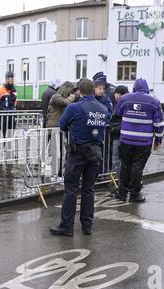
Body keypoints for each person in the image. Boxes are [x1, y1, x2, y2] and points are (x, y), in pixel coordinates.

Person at [50, 79, 109, 237]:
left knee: (71, 190)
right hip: (96, 152)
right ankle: (87, 225)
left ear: (80, 91)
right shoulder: (103, 108)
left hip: (77, 153)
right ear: (93, 91)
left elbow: (62, 124)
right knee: (89, 190)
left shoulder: (74, 107)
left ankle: (67, 226)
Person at [115, 78, 164, 203]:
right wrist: (158, 140)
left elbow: (119, 112)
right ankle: (134, 194)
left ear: (134, 87)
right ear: (147, 88)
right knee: (137, 167)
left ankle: (122, 193)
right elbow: (159, 123)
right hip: (143, 142)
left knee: (125, 166)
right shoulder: (154, 102)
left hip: (126, 139)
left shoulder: (125, 98)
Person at [46, 81, 76, 178]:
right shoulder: (55, 97)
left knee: (61, 152)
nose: (70, 93)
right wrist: (73, 96)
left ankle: (59, 173)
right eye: (70, 91)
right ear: (66, 89)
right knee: (55, 152)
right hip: (54, 128)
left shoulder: (62, 97)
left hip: (60, 129)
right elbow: (66, 102)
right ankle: (54, 173)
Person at [110, 86, 129, 178]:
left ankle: (122, 184)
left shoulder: (122, 105)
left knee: (117, 161)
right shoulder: (124, 104)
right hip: (124, 137)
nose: (115, 95)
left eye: (116, 93)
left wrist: (114, 129)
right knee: (124, 161)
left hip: (119, 136)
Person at [0, 71, 17, 138]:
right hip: (3, 118)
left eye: (12, 80)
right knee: (2, 137)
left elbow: (15, 103)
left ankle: (7, 147)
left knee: (9, 137)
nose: (12, 81)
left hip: (10, 117)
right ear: (6, 80)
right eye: (10, 79)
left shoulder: (13, 91)